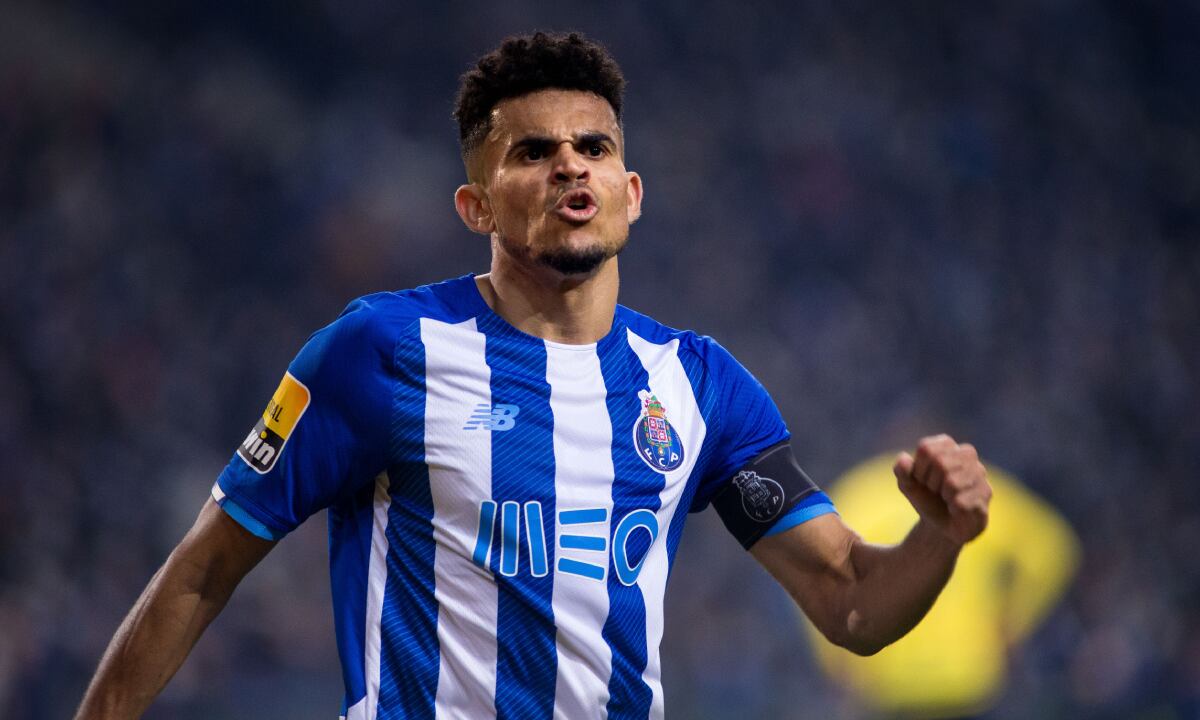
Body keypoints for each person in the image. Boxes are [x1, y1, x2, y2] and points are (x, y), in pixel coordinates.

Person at [76, 32, 992, 720]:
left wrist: (939, 539)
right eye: (532, 151)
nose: (568, 165)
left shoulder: (699, 386)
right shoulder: (382, 352)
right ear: (476, 205)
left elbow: (853, 604)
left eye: (594, 147)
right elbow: (207, 566)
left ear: (630, 192)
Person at [804, 455, 1078, 719]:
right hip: (967, 675)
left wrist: (836, 658)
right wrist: (1013, 622)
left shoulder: (861, 494)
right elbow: (1051, 550)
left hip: (894, 682)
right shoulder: (977, 494)